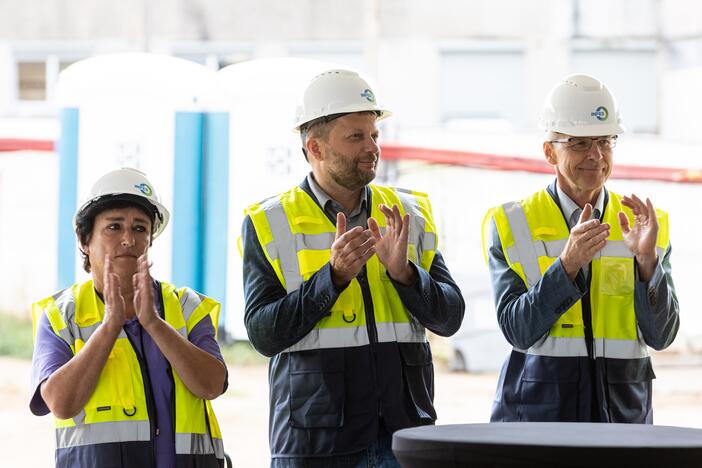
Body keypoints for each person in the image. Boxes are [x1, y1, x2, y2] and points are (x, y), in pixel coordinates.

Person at [241, 69, 465, 466]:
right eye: (356, 137)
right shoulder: (269, 221)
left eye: (374, 135)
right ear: (316, 147)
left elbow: (450, 318)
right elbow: (263, 334)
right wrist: (333, 279)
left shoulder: (408, 211)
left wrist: (406, 276)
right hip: (316, 442)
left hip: (404, 433)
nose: (372, 147)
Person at [482, 73, 679, 423]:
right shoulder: (511, 224)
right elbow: (517, 330)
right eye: (579, 143)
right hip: (539, 418)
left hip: (621, 419)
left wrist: (648, 264)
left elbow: (661, 336)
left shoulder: (644, 224)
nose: (596, 156)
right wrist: (566, 267)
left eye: (605, 141)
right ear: (549, 152)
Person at [30, 167, 228, 467]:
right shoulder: (60, 315)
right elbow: (60, 403)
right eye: (114, 227)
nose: (128, 239)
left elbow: (211, 385)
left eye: (139, 229)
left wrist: (154, 324)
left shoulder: (187, 306)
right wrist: (111, 326)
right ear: (85, 241)